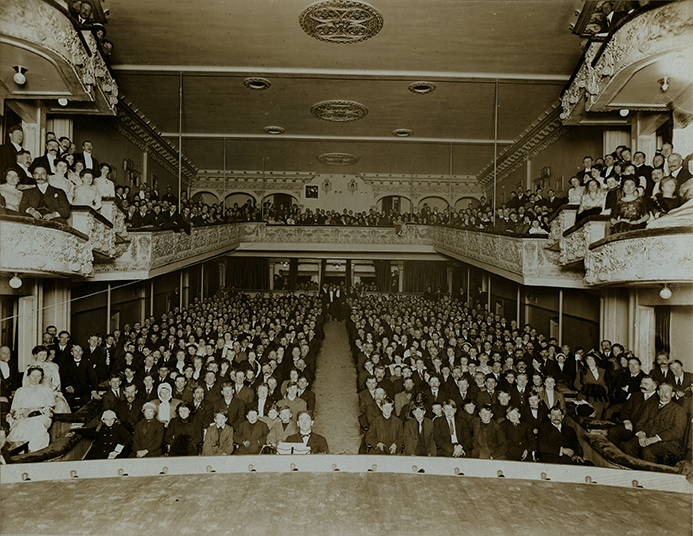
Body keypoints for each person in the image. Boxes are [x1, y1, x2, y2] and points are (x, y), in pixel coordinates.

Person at [622, 383, 688, 464]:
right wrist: (641, 435)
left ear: (673, 394)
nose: (664, 393)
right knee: (628, 446)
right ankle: (635, 469)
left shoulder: (679, 410)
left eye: (667, 391)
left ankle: (650, 473)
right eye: (662, 390)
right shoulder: (650, 406)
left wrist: (656, 438)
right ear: (658, 392)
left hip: (667, 443)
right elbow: (640, 423)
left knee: (647, 451)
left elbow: (678, 431)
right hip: (647, 438)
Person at [6, 366, 55, 452]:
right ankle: (22, 451)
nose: (35, 378)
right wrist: (22, 413)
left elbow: (49, 408)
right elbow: (14, 410)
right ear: (28, 376)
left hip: (41, 417)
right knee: (25, 425)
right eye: (33, 376)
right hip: (23, 417)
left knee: (34, 424)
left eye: (38, 376)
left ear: (41, 377)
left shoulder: (47, 390)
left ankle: (35, 451)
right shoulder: (20, 391)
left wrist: (37, 411)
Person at [607, 376, 659, 450]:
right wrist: (626, 420)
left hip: (645, 431)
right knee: (612, 432)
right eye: (641, 383)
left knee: (629, 445)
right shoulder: (635, 395)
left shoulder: (658, 399)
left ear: (654, 387)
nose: (642, 386)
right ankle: (616, 454)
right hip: (631, 427)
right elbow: (625, 410)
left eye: (646, 384)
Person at [22, 345, 70, 414]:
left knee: (59, 405)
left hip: (50, 391)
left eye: (45, 354)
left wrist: (51, 390)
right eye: (40, 354)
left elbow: (56, 381)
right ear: (35, 355)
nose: (43, 357)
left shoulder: (52, 366)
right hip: (35, 392)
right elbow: (25, 382)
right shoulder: (30, 368)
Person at [575, 353, 609, 420]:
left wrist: (603, 390)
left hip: (599, 397)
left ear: (595, 360)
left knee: (599, 409)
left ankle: (597, 427)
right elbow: (576, 383)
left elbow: (607, 384)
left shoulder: (603, 371)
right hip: (586, 396)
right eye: (587, 359)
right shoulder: (582, 370)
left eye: (591, 359)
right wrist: (584, 389)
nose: (588, 361)